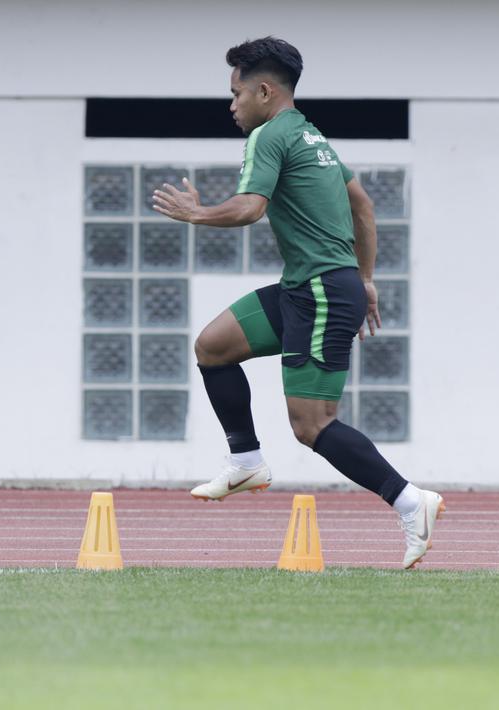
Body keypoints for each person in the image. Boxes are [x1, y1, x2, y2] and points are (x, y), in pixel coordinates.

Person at [152, 37, 443, 568]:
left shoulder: (270, 135)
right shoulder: (313, 137)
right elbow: (364, 207)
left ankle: (410, 501)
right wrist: (367, 279)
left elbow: (248, 208)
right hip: (309, 286)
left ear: (264, 91)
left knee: (312, 425)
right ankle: (245, 460)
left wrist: (197, 214)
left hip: (320, 292)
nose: (232, 105)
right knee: (213, 346)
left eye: (236, 93)